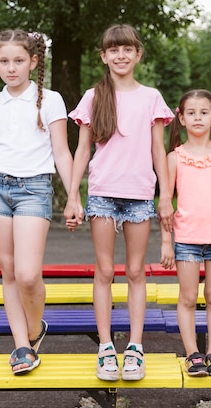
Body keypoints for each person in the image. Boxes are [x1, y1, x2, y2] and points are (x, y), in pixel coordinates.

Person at [64, 24, 174, 382]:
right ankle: (106, 347)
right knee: (105, 271)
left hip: (140, 194)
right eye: (114, 50)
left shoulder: (151, 97)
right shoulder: (94, 96)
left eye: (127, 49)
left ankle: (136, 347)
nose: (121, 55)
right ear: (104, 56)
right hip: (102, 194)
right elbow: (81, 149)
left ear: (138, 54)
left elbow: (159, 150)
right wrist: (71, 196)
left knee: (136, 271)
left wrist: (166, 197)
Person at [0, 29, 76, 375]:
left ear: (33, 62)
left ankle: (33, 331)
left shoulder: (49, 100)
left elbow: (63, 153)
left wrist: (74, 195)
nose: (11, 67)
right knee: (9, 271)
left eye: (19, 60)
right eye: (4, 61)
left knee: (28, 275)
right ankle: (21, 345)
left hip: (34, 189)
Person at [160, 89, 211, 377]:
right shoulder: (174, 158)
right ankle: (193, 353)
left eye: (204, 112)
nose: (197, 117)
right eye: (191, 112)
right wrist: (167, 242)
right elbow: (166, 203)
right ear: (180, 118)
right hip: (186, 240)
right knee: (189, 297)